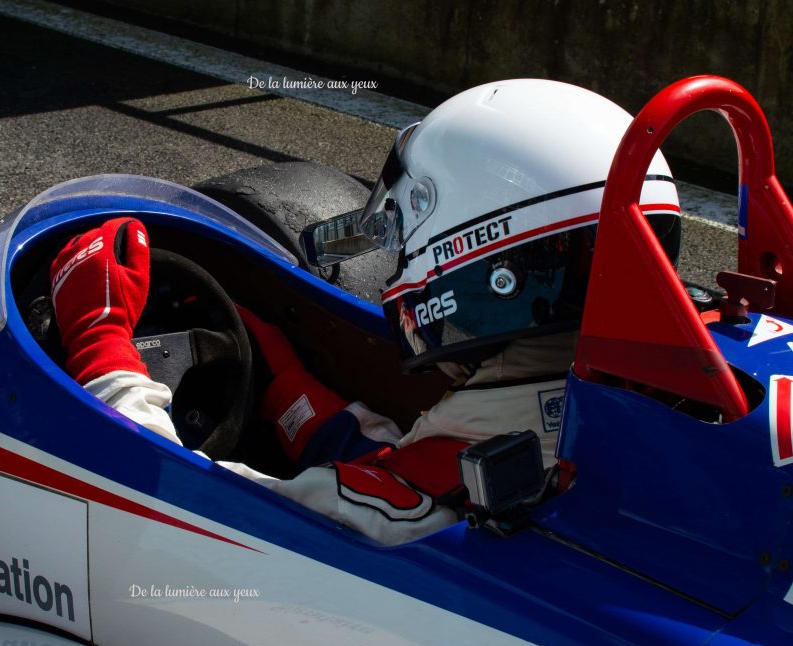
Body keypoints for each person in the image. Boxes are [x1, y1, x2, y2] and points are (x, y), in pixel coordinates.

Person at [50, 79, 681, 545]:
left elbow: (176, 522)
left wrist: (99, 341)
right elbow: (423, 462)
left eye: (407, 230)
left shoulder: (394, 514)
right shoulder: (674, 398)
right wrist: (295, 399)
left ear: (484, 261)